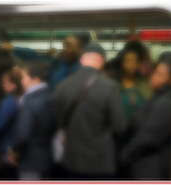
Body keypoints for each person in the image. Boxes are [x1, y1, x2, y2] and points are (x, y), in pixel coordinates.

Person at [54, 43, 127, 179]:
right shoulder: (110, 87)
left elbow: (57, 120)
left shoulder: (62, 86)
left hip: (72, 159)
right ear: (102, 60)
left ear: (81, 60)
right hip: (100, 162)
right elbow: (120, 127)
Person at [120, 60, 171, 179]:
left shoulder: (165, 102)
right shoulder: (158, 97)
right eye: (154, 73)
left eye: (159, 75)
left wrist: (124, 156)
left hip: (150, 168)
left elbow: (149, 137)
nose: (153, 77)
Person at [8, 63, 55, 180]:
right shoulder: (51, 97)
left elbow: (23, 134)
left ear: (35, 79)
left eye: (24, 77)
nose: (21, 81)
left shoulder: (28, 101)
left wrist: (14, 150)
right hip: (48, 157)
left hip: (30, 159)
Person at [2, 34, 90, 90]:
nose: (65, 50)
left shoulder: (85, 71)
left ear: (80, 48)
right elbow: (35, 57)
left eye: (68, 45)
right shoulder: (58, 64)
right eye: (64, 46)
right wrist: (14, 49)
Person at [0, 68, 23, 179]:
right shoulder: (21, 97)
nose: (3, 85)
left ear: (13, 84)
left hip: (8, 149)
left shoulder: (10, 101)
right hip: (16, 148)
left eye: (5, 82)